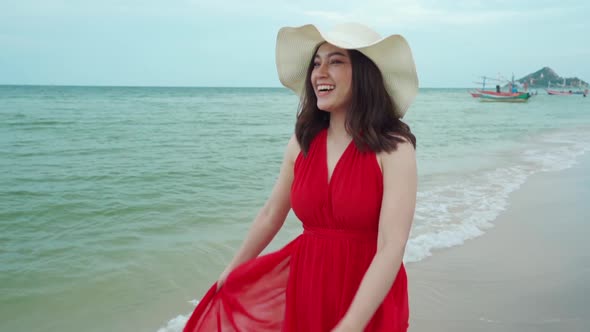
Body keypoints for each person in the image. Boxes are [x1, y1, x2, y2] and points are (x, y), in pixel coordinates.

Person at [184, 22, 418, 332]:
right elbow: (271, 214)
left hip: (369, 294)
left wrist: (350, 326)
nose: (320, 72)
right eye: (316, 63)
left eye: (335, 61)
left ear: (364, 72)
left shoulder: (394, 149)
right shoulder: (303, 143)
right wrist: (232, 269)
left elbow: (391, 245)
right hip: (308, 287)